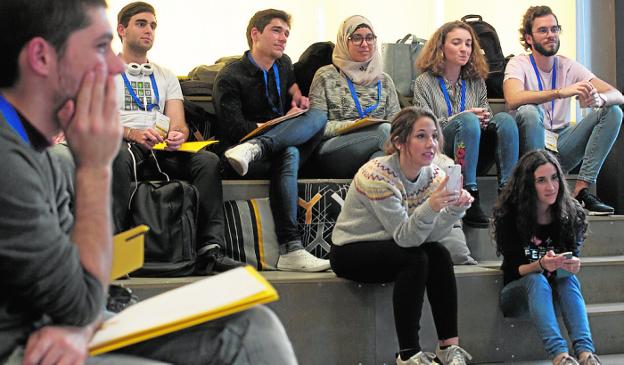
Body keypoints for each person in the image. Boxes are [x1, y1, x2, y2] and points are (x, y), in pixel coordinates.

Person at [0, 0, 297, 363]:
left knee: (254, 326)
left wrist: (78, 318)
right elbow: (78, 304)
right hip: (25, 342)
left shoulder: (34, 148)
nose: (113, 65)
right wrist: (94, 167)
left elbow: (73, 291)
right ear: (42, 58)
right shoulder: (9, 162)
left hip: (60, 315)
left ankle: (209, 248)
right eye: (97, 47)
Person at [331, 107, 473, 365]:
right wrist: (432, 205)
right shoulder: (376, 175)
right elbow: (406, 238)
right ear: (398, 142)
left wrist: (454, 210)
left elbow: (432, 237)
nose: (430, 144)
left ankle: (448, 347)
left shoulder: (435, 175)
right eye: (421, 136)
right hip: (352, 250)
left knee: (439, 253)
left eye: (433, 136)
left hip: (395, 245)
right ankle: (409, 355)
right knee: (415, 258)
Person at [112, 2, 241, 271]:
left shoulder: (165, 75)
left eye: (153, 25)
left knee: (206, 162)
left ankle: (210, 249)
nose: (149, 30)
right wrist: (132, 133)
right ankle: (115, 250)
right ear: (121, 29)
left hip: (159, 148)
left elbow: (179, 124)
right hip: (121, 144)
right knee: (116, 157)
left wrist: (176, 136)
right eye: (141, 23)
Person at [213, 8, 330, 272]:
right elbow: (234, 130)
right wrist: (273, 125)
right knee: (288, 152)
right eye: (276, 31)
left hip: (274, 148)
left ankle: (261, 146)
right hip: (239, 155)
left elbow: (291, 91)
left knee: (318, 116)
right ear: (255, 34)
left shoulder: (284, 64)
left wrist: (296, 102)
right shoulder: (230, 76)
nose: (283, 38)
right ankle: (291, 248)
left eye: (287, 33)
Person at [503, 5, 624, 216]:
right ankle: (533, 188)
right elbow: (513, 99)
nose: (551, 35)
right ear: (529, 38)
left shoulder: (567, 65)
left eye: (554, 29)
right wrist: (560, 92)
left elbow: (617, 95)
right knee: (529, 111)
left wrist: (599, 98)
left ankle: (582, 190)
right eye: (543, 30)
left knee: (613, 111)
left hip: (561, 144)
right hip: (529, 146)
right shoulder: (518, 64)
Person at [493, 150, 601, 365]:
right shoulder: (510, 216)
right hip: (518, 293)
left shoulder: (571, 214)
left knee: (568, 279)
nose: (550, 187)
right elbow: (514, 270)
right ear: (528, 185)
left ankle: (585, 353)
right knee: (536, 279)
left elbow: (571, 260)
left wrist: (572, 264)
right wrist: (540, 264)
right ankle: (560, 356)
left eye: (554, 178)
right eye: (541, 180)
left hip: (554, 294)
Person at [413, 20, 519, 228]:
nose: (464, 49)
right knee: (468, 119)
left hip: (476, 150)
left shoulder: (476, 81)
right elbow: (424, 129)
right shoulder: (424, 82)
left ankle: (509, 194)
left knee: (505, 119)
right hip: (443, 151)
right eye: (457, 43)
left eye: (469, 44)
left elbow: (485, 111)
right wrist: (461, 117)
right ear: (441, 47)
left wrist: (484, 118)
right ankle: (470, 192)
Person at [308, 15, 400, 178]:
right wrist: (355, 126)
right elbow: (316, 127)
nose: (365, 44)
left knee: (381, 160)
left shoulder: (384, 80)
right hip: (333, 151)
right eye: (357, 38)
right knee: (383, 132)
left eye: (369, 38)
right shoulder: (326, 75)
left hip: (378, 147)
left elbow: (397, 125)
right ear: (344, 41)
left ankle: (372, 198)